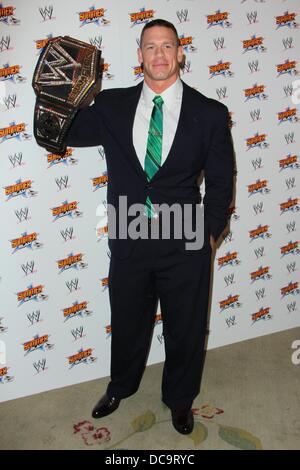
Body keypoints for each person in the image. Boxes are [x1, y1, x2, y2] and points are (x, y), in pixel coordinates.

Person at [65, 19, 234, 435]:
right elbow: (61, 131)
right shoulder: (111, 106)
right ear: (139, 55)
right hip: (130, 234)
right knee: (127, 321)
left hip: (187, 238)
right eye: (150, 47)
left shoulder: (209, 113)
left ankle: (180, 399)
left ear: (180, 53)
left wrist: (209, 233)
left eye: (167, 46)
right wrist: (62, 89)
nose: (159, 54)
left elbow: (221, 179)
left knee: (186, 328)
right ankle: (120, 386)